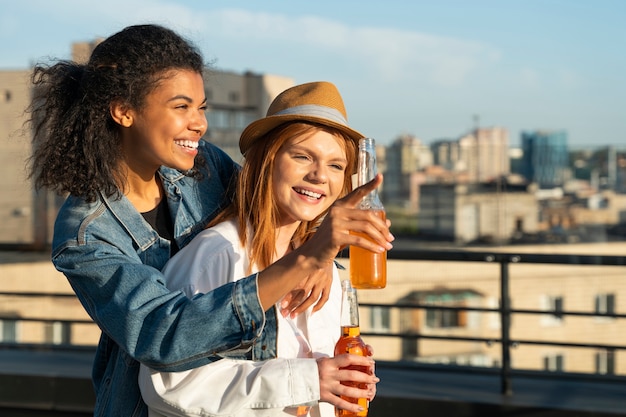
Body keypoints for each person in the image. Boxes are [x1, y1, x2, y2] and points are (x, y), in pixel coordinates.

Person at [26, 24, 392, 417]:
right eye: (181, 107)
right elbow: (162, 334)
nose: (199, 123)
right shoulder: (86, 235)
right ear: (124, 110)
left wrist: (313, 248)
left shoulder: (200, 166)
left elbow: (272, 203)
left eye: (201, 107)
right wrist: (306, 259)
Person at [139, 81, 377, 417]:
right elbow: (170, 384)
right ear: (267, 160)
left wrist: (343, 376)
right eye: (302, 156)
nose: (319, 175)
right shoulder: (217, 254)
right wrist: (311, 379)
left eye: (336, 165)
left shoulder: (328, 274)